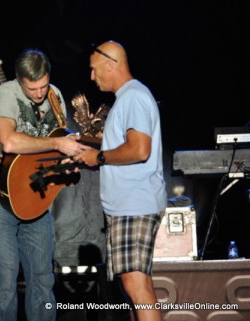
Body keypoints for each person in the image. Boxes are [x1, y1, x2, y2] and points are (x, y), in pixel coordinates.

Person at [0, 48, 89, 321]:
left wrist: (68, 161)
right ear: (19, 80)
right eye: (33, 89)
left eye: (43, 85)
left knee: (43, 279)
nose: (40, 93)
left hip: (37, 199)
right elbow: (8, 141)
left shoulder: (55, 95)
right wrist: (56, 143)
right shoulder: (4, 94)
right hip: (2, 201)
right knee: (5, 281)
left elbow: (59, 143)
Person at [72, 41, 167, 321]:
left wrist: (99, 157)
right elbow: (126, 144)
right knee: (135, 285)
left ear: (111, 65)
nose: (92, 76)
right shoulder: (127, 99)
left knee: (136, 285)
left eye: (94, 70)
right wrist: (90, 147)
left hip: (134, 204)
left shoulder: (134, 97)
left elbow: (139, 149)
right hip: (127, 205)